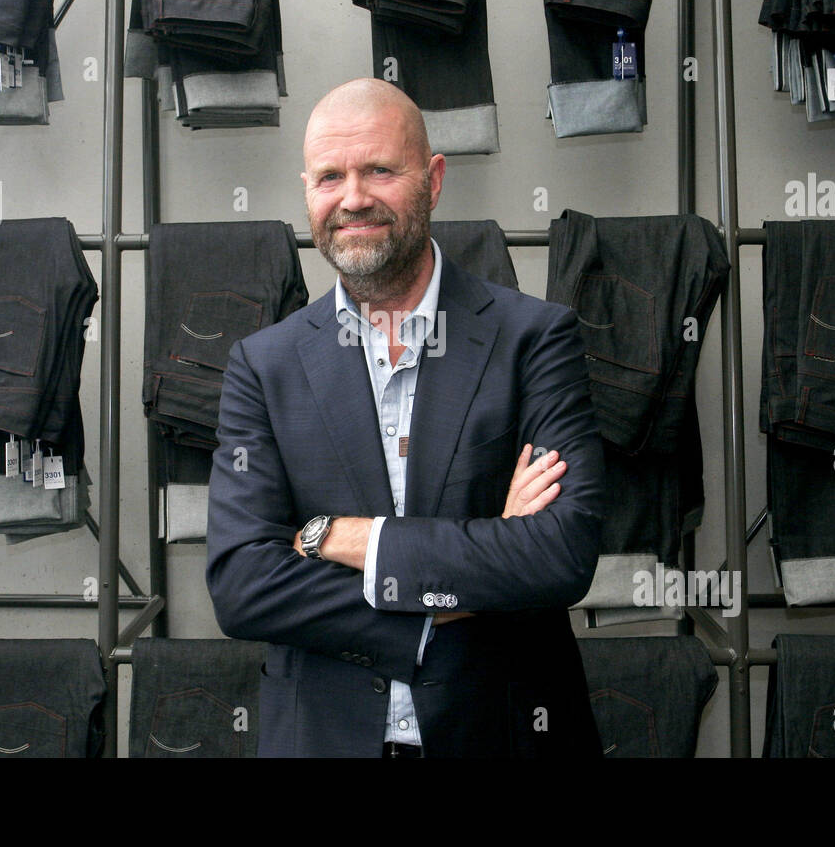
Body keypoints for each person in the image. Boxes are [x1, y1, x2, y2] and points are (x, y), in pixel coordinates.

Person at [205, 78, 607, 758]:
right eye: (330, 176)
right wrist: (463, 580)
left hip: (503, 735)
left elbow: (559, 555)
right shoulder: (262, 365)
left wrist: (341, 536)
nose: (353, 197)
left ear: (434, 178)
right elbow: (244, 585)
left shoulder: (535, 338)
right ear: (307, 189)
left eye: (379, 170)